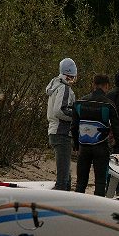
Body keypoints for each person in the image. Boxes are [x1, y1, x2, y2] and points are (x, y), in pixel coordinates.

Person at [71, 74, 119, 196]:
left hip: (83, 147)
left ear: (93, 85)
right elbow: (117, 129)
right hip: (101, 147)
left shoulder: (79, 102)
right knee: (100, 183)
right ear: (107, 86)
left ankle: (76, 210)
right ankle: (97, 212)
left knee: (80, 183)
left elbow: (74, 126)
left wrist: (76, 144)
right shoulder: (109, 104)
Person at [46, 58, 77, 190]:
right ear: (70, 75)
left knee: (66, 174)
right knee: (63, 178)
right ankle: (58, 205)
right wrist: (76, 116)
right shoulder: (64, 88)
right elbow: (60, 110)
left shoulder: (55, 85)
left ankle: (66, 199)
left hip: (55, 132)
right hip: (61, 133)